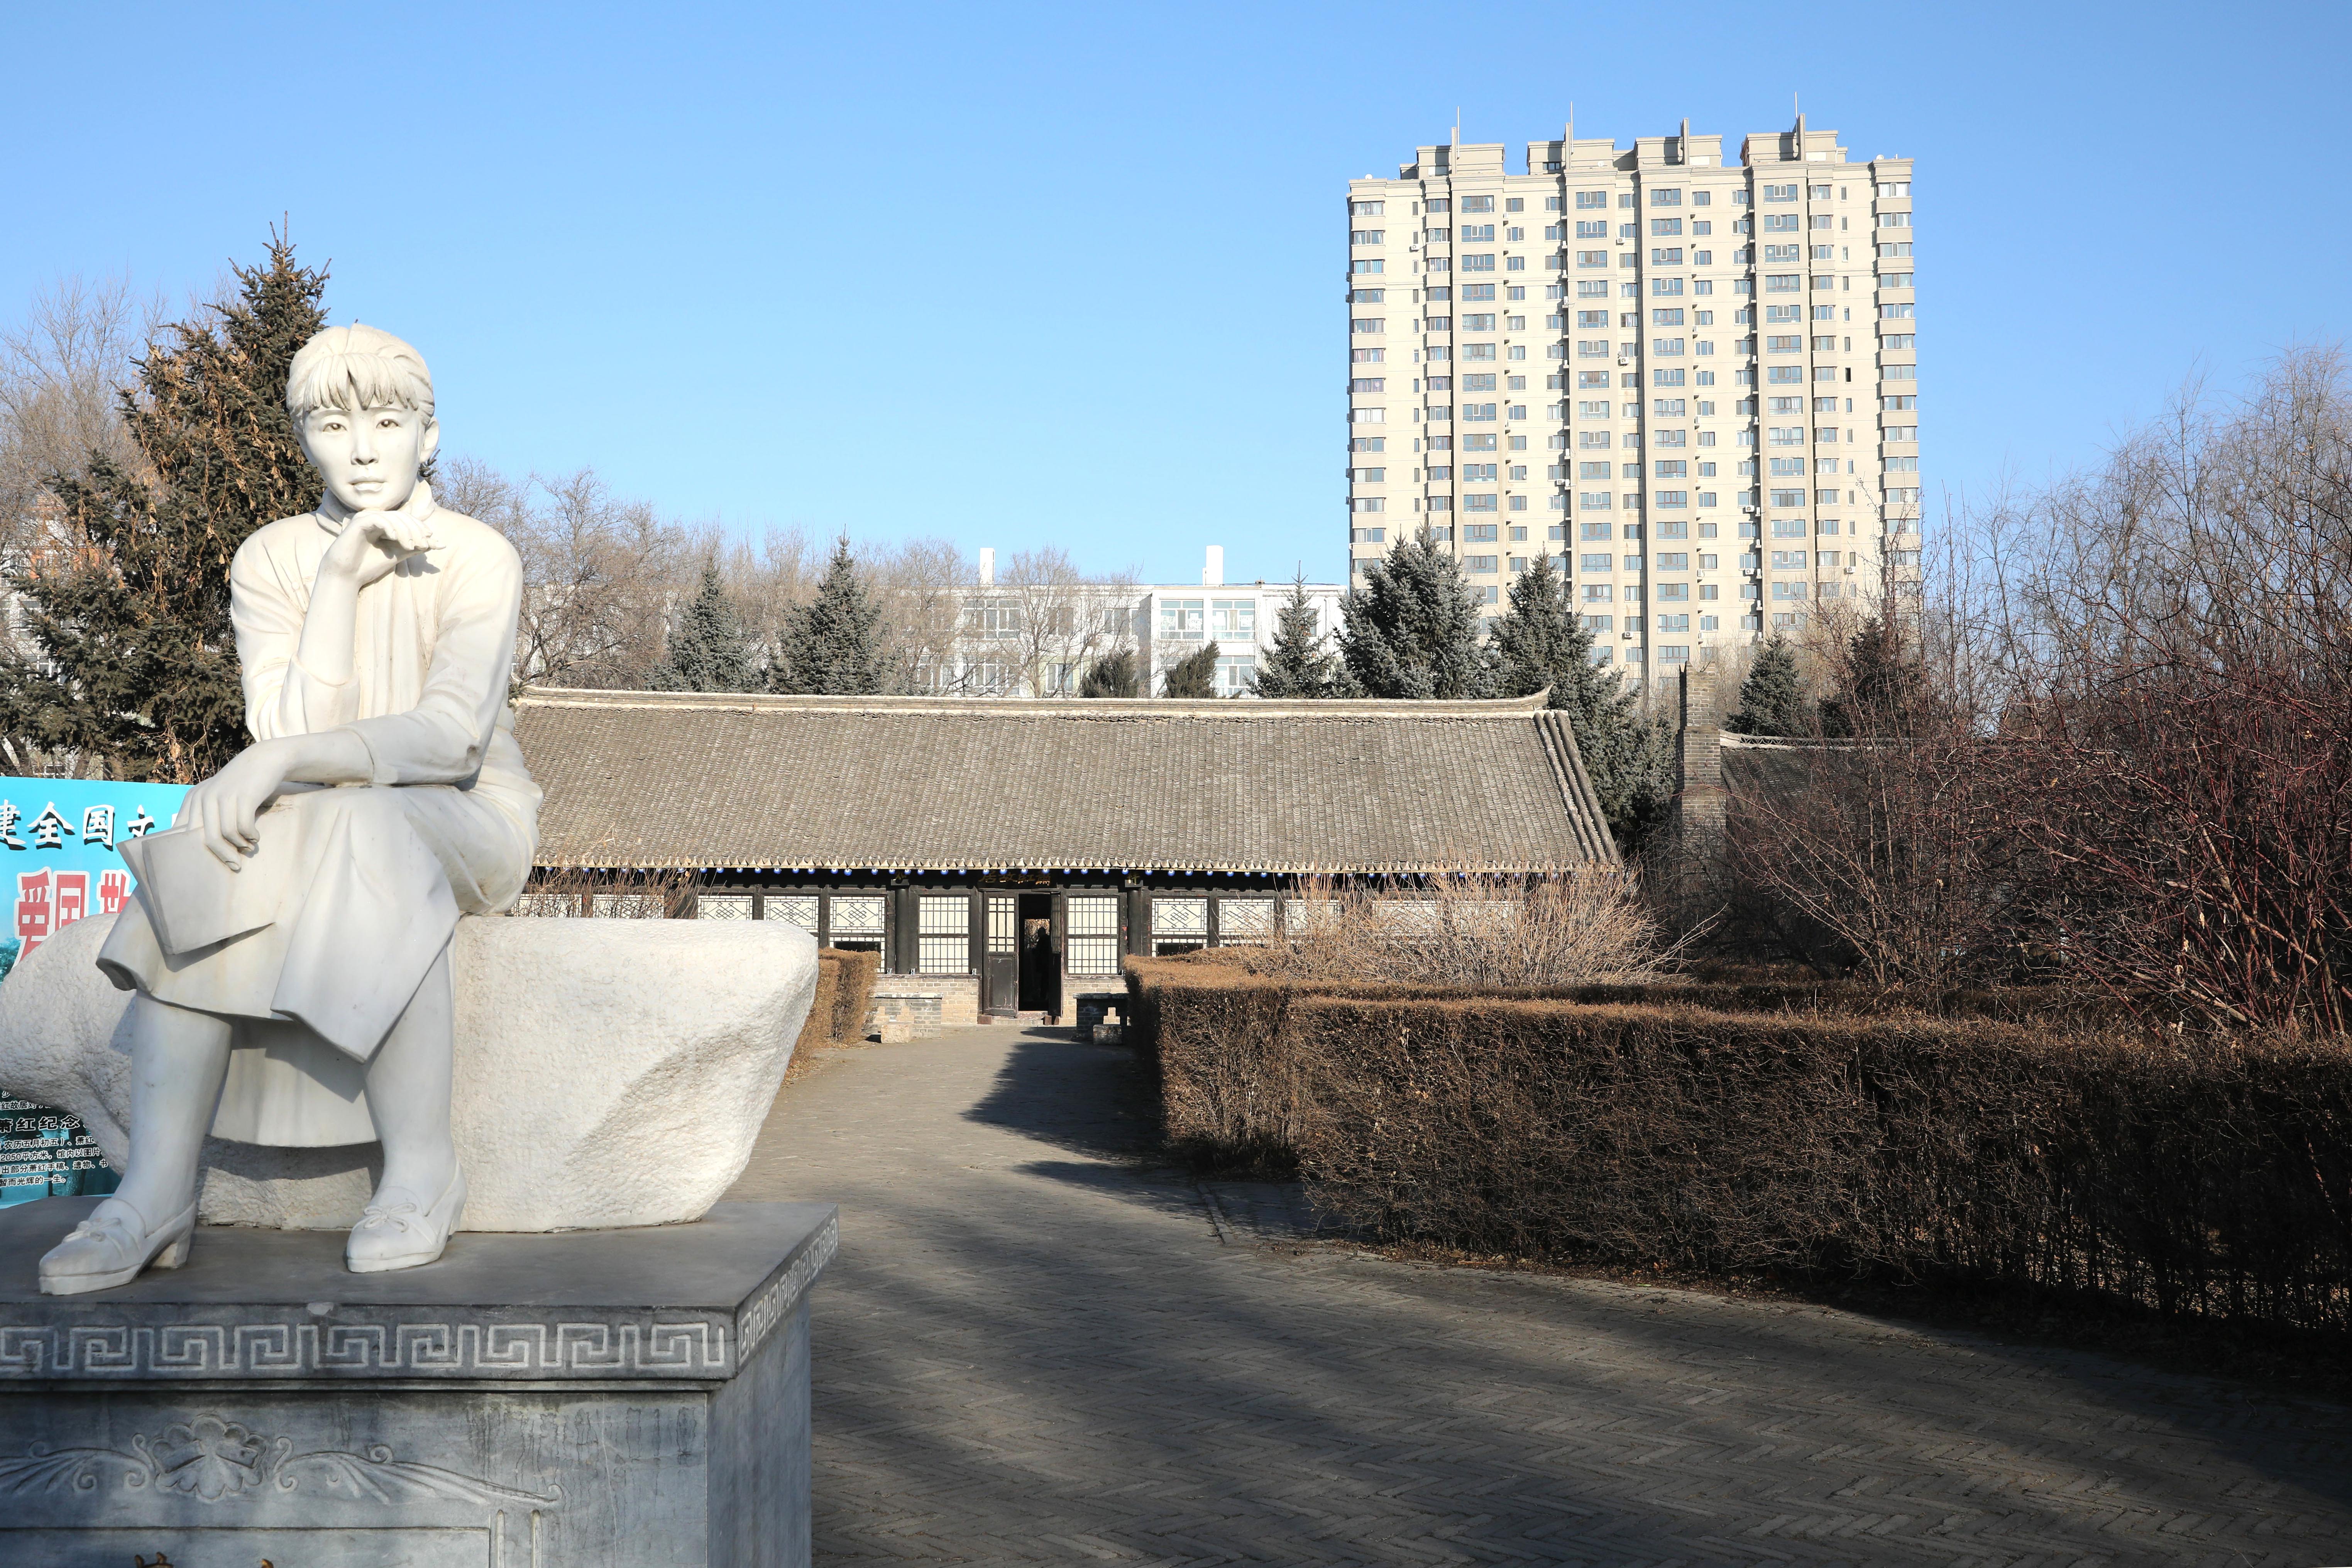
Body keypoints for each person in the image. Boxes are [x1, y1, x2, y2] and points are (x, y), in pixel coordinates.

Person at [38, 325, 541, 1294]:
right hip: (317, 810)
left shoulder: (480, 557)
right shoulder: (270, 559)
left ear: (428, 438)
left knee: (369, 822)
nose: (361, 448)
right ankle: (155, 1190)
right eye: (332, 425)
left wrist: (284, 761)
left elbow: (450, 739)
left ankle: (424, 1169)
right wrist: (339, 582)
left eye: (388, 423)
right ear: (303, 440)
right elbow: (287, 722)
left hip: (466, 813)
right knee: (212, 845)